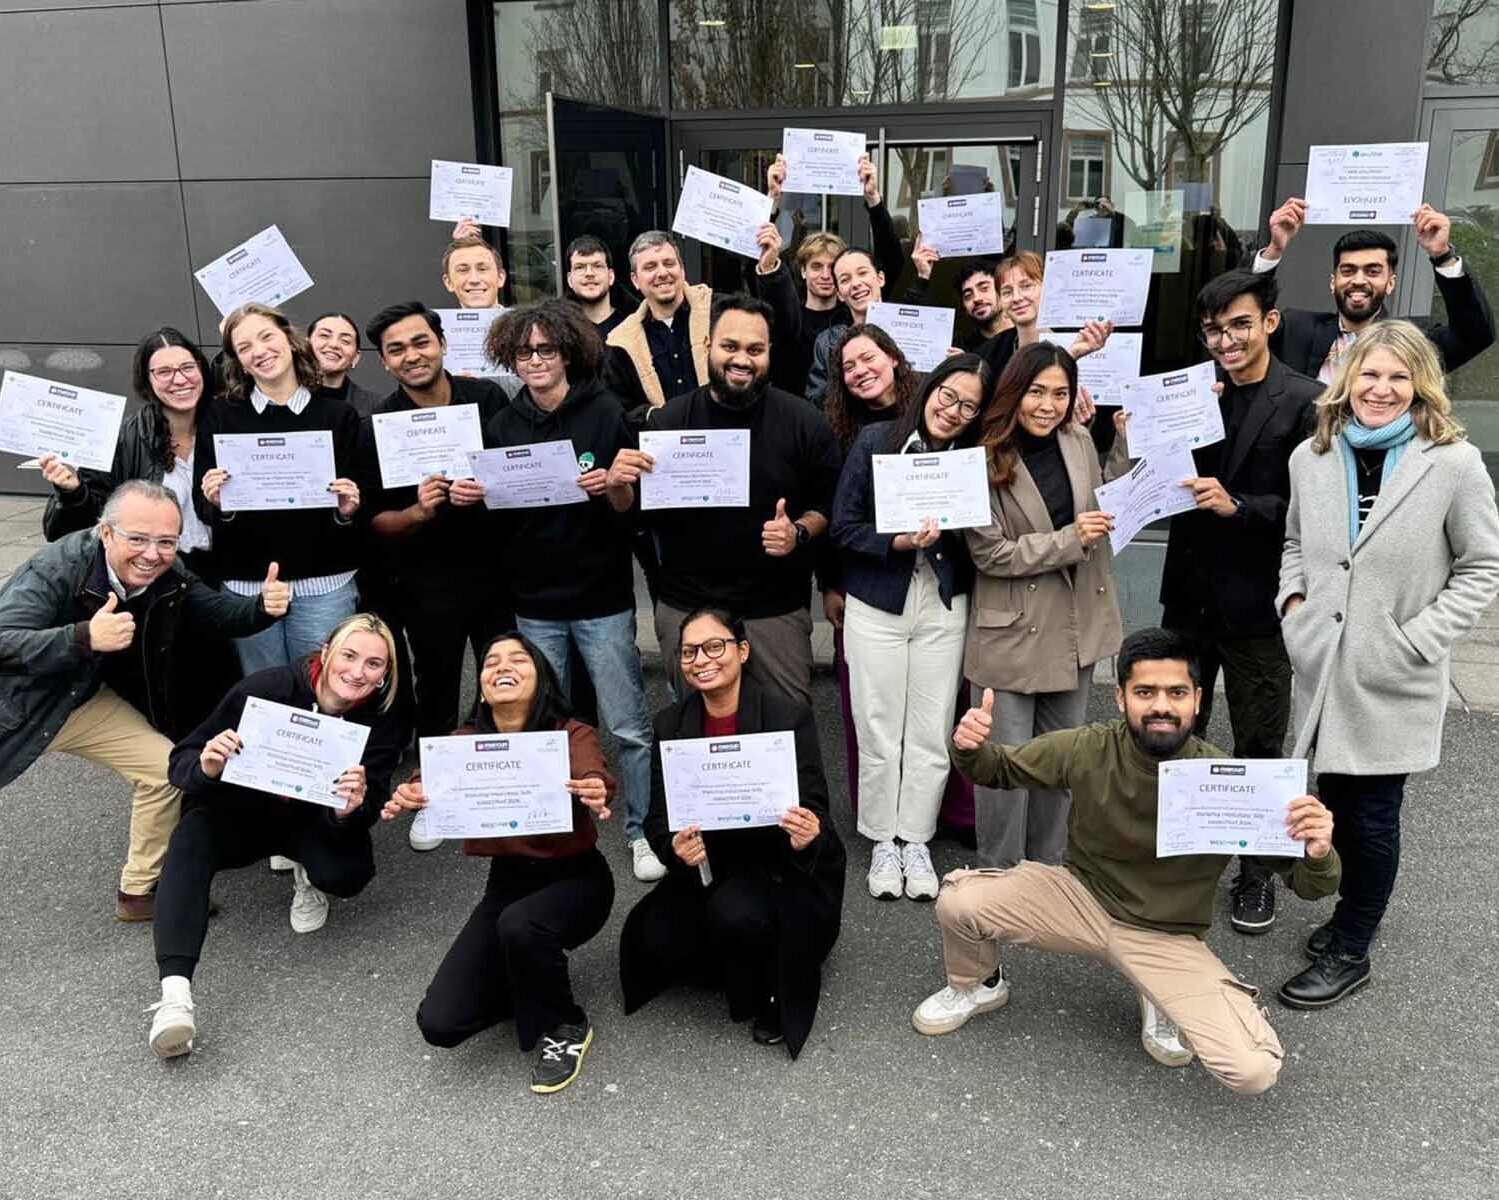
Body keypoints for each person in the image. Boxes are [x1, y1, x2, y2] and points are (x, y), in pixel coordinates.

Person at [914, 628, 1341, 1095]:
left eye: (1176, 692)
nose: (1161, 705)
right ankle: (978, 983)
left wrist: (1318, 852)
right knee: (958, 900)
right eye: (1145, 692)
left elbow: (1310, 885)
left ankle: (1160, 993)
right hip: (1080, 899)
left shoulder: (1235, 783)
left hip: (1165, 933)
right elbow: (1001, 768)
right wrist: (970, 746)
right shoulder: (1087, 748)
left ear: (1197, 700)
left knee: (1253, 1070)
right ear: (1120, 698)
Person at [1275, 320, 1499, 1008]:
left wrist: (1416, 640)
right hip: (1322, 668)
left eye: (1397, 377)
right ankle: (1348, 915)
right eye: (1369, 375)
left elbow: (1481, 565)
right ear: (1347, 380)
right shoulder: (1310, 456)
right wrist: (1293, 608)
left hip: (1391, 673)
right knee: (1332, 805)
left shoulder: (1451, 463)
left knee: (1371, 817)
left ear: (1419, 386)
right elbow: (1293, 543)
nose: (1381, 389)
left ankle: (1351, 946)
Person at [1112, 269, 1322, 936]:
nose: (1225, 338)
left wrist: (1241, 507)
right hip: (1189, 598)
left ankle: (1255, 875)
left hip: (1260, 605)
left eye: (1238, 323)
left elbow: (1314, 510)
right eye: (1212, 328)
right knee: (1173, 731)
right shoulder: (1187, 391)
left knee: (1260, 740)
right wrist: (1130, 433)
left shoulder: (1306, 400)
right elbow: (1150, 478)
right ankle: (1176, 851)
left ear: (1269, 321)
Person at [0, 481, 285, 921]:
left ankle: (138, 893)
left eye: (166, 542)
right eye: (137, 538)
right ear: (105, 532)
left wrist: (261, 608)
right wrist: (83, 637)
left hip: (82, 700)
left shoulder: (165, 572)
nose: (152, 553)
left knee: (165, 770)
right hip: (19, 700)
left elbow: (214, 612)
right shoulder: (55, 569)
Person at [145, 613, 403, 1059]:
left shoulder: (381, 722)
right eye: (350, 655)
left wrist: (349, 810)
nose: (358, 672)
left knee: (349, 874)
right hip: (241, 813)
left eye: (374, 664)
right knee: (187, 844)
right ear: (326, 652)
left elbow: (374, 800)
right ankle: (174, 998)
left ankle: (305, 871)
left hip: (311, 820)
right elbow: (181, 760)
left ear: (384, 677)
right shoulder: (265, 689)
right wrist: (207, 766)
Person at [380, 632, 616, 1094]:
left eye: (518, 659)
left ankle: (566, 1026)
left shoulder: (569, 733)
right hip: (506, 887)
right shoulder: (466, 741)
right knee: (440, 1023)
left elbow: (594, 768)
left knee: (521, 926)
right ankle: (529, 981)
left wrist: (595, 785)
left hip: (578, 881)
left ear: (541, 676)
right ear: (482, 683)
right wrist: (411, 792)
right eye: (491, 662)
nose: (502, 667)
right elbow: (429, 775)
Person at [481, 300, 662, 884]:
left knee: (628, 723)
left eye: (546, 350)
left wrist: (611, 487)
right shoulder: (504, 426)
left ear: (568, 352)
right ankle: (548, 828)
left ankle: (639, 830)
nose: (535, 361)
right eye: (524, 352)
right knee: (538, 723)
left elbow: (630, 512)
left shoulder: (605, 412)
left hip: (601, 599)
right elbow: (500, 518)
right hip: (534, 603)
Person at [619, 608, 845, 1057]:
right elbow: (658, 817)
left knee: (735, 914)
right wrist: (673, 847)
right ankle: (733, 955)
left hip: (777, 863)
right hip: (709, 862)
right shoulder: (671, 724)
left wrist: (806, 833)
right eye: (689, 651)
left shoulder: (787, 716)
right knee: (656, 939)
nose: (702, 659)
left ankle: (767, 987)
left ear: (742, 651)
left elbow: (815, 802)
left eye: (714, 646)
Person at [607, 295, 841, 707]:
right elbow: (635, 515)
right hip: (687, 605)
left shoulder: (804, 421)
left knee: (785, 730)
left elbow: (828, 503)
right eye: (730, 346)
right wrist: (617, 487)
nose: (742, 360)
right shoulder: (668, 423)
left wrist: (799, 531)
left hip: (775, 609)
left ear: (770, 353)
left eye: (755, 350)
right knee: (698, 738)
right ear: (707, 346)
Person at [832, 355, 990, 901]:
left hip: (944, 602)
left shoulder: (973, 460)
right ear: (928, 390)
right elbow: (843, 527)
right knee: (877, 722)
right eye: (948, 396)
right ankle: (881, 839)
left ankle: (916, 838)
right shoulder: (876, 440)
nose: (953, 411)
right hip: (878, 599)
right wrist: (896, 542)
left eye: (968, 406)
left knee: (931, 723)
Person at [965, 343, 1122, 869]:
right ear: (1014, 392)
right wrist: (1068, 540)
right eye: (1036, 392)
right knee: (1004, 764)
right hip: (1010, 631)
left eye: (1060, 393)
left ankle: (1047, 866)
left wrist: (1122, 440)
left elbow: (1106, 503)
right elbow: (990, 552)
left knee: (1063, 759)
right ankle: (998, 873)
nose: (1048, 405)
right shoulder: (982, 456)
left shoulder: (1078, 441)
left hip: (1074, 626)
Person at [357, 301, 511, 743]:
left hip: (495, 574)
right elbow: (374, 521)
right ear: (385, 363)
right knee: (438, 693)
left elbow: (514, 477)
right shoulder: (378, 426)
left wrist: (490, 488)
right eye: (397, 349)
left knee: (504, 681)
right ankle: (437, 793)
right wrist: (417, 512)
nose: (413, 355)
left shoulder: (487, 398)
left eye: (421, 342)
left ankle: (502, 777)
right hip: (425, 586)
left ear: (442, 344)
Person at [193, 302, 363, 673]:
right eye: (245, 347)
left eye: (266, 336)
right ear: (238, 360)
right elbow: (202, 506)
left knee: (325, 688)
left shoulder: (339, 416)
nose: (259, 351)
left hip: (324, 584)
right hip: (248, 584)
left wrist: (348, 510)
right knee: (263, 692)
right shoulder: (220, 416)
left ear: (289, 338)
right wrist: (217, 501)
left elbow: (359, 507)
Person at [1253, 198, 1495, 381]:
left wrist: (1442, 256)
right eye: (1348, 271)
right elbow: (1240, 313)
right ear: (1332, 281)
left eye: (1372, 271)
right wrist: (1274, 249)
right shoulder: (1294, 329)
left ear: (1390, 283)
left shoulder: (1414, 339)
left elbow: (1475, 334)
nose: (1358, 280)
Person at [757, 152, 905, 394]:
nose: (825, 275)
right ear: (802, 271)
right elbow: (762, 259)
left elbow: (891, 259)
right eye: (816, 266)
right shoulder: (788, 316)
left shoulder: (857, 317)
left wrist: (873, 200)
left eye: (833, 268)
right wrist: (772, 200)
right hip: (797, 424)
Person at [803, 241, 938, 406]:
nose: (856, 284)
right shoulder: (828, 342)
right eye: (845, 280)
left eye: (862, 273)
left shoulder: (913, 329)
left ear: (880, 278)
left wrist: (952, 364)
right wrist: (848, 376)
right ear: (839, 294)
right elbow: (814, 400)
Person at [603, 231, 714, 427]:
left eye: (669, 263)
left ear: (682, 270)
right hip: (662, 452)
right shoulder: (620, 343)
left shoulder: (718, 313)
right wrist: (657, 417)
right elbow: (619, 408)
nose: (662, 273)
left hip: (724, 440)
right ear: (635, 280)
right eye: (650, 267)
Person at [308, 312, 380, 418]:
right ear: (306, 344)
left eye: (345, 341)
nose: (334, 345)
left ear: (356, 357)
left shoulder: (376, 408)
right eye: (324, 336)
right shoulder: (281, 399)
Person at [564, 235, 625, 338]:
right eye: (580, 267)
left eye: (597, 266)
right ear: (570, 280)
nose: (589, 273)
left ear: (611, 276)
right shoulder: (559, 330)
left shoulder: (632, 327)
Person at [957, 260, 1009, 348]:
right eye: (968, 296)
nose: (976, 298)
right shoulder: (966, 349)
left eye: (984, 288)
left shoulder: (1025, 334)